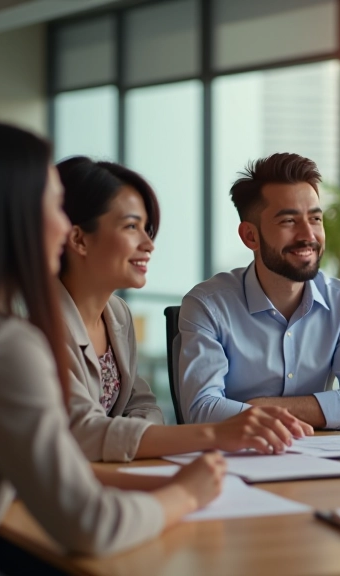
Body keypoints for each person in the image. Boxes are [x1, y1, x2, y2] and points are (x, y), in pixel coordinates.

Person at [0, 117, 227, 576]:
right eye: (54, 204)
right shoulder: (1, 345)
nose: (63, 224)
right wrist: (187, 492)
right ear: (11, 215)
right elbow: (91, 526)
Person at [55, 157, 312, 462]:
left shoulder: (117, 314)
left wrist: (124, 439)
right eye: (131, 227)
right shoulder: (34, 322)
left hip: (107, 474)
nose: (148, 244)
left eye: (147, 229)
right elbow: (81, 432)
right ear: (79, 239)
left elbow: (145, 406)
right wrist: (217, 434)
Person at [177, 153, 340, 429]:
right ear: (250, 236)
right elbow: (202, 410)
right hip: (233, 463)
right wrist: (315, 410)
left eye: (315, 219)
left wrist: (261, 408)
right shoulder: (208, 305)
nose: (308, 235)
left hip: (321, 462)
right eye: (289, 221)